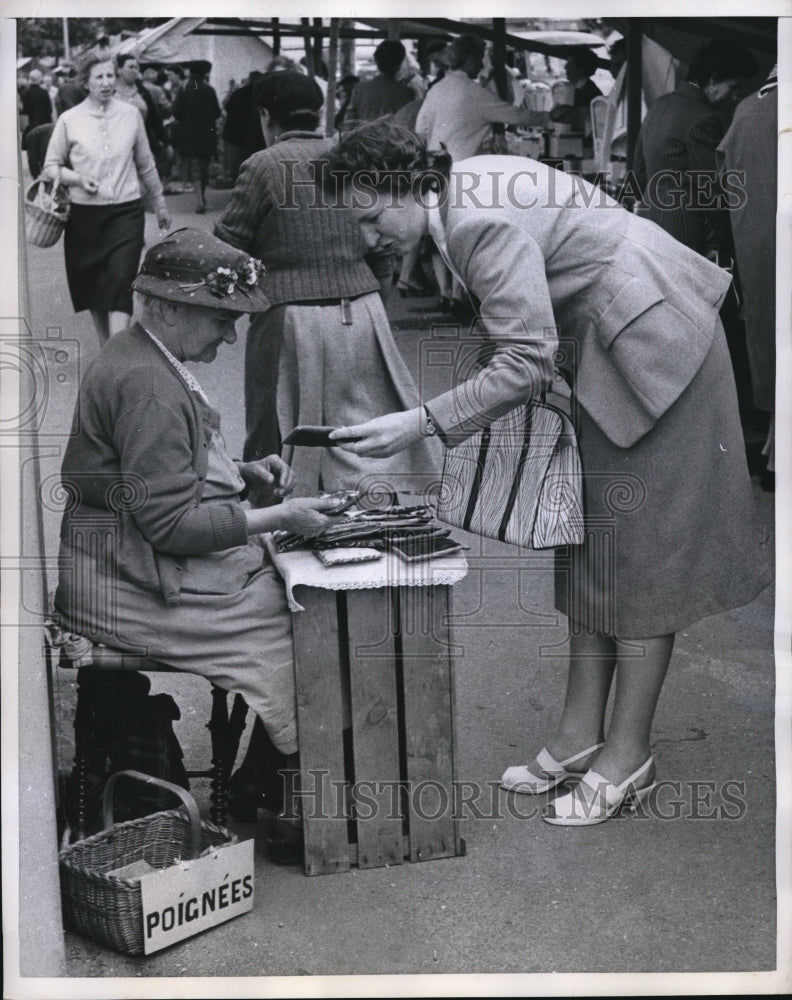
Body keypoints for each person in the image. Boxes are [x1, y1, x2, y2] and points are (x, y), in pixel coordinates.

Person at [326, 119, 771, 826]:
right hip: (616, 346)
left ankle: (628, 757)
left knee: (639, 561)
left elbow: (525, 360)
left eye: (373, 217)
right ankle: (577, 736)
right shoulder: (463, 192)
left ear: (410, 186)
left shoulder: (475, 224)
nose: (368, 238)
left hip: (662, 352)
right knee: (590, 546)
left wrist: (419, 422)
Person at [54, 228, 344, 853]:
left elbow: (151, 480)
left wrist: (239, 475)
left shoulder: (142, 355)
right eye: (221, 319)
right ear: (165, 306)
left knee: (291, 594)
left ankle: (262, 780)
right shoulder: (150, 385)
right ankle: (280, 788)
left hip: (114, 567)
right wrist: (279, 515)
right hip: (123, 587)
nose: (230, 336)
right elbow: (169, 525)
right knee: (302, 623)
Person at [215, 70, 442, 500]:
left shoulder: (262, 165)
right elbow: (382, 253)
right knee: (363, 435)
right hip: (364, 310)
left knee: (277, 434)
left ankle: (276, 531)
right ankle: (367, 529)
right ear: (319, 110)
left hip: (286, 315)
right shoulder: (350, 158)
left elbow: (228, 248)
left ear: (266, 116)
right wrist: (372, 302)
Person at [42, 53, 170, 344]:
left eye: (110, 75)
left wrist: (160, 203)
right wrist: (76, 178)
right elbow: (51, 167)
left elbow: (146, 163)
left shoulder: (130, 115)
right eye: (98, 77)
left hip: (126, 212)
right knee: (94, 289)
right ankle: (107, 349)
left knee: (120, 283)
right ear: (85, 82)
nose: (106, 82)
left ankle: (115, 352)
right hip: (85, 217)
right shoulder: (69, 120)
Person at [415, 33, 548, 314]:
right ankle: (462, 297)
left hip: (433, 171)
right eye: (481, 57)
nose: (484, 63)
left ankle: (445, 295)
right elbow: (518, 116)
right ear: (472, 58)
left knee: (439, 234)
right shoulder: (473, 92)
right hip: (464, 174)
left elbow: (421, 130)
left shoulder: (437, 89)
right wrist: (553, 116)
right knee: (464, 237)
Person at [633, 40, 758, 258]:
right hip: (684, 235)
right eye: (734, 86)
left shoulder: (659, 105)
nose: (735, 96)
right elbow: (712, 192)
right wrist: (730, 245)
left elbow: (639, 173)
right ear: (713, 80)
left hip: (650, 226)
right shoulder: (703, 117)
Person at [717, 65, 778, 491]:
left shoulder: (743, 111)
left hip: (756, 251)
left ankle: (771, 456)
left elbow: (724, 182)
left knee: (770, 347)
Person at [114, 53, 173, 191]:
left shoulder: (143, 92)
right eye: (130, 67)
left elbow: (155, 119)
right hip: (117, 146)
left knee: (142, 186)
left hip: (142, 144)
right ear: (119, 70)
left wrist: (167, 142)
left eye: (136, 67)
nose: (134, 70)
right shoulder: (110, 91)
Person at [171, 60, 222, 213]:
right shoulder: (209, 90)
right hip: (207, 133)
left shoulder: (184, 89)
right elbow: (217, 112)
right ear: (205, 73)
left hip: (188, 134)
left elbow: (176, 112)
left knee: (194, 168)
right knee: (204, 167)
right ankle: (202, 198)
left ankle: (200, 199)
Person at [344, 40, 414, 125]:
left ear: (376, 60)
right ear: (399, 63)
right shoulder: (406, 93)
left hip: (362, 137)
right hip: (392, 138)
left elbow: (349, 123)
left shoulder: (359, 89)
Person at [221, 69, 264, 181]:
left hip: (235, 133)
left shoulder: (239, 93)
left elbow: (227, 107)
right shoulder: (261, 93)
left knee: (237, 168)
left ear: (249, 79)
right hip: (253, 135)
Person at [20, 68, 53, 149]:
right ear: (40, 79)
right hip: (43, 126)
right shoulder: (44, 93)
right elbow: (49, 110)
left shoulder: (25, 93)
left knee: (31, 151)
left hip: (30, 126)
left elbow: (23, 111)